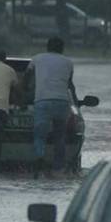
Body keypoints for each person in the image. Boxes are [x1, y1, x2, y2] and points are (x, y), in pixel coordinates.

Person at [26, 37, 76, 178]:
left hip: (43, 101)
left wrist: (24, 93)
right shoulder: (68, 62)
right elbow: (69, 84)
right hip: (62, 102)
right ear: (62, 48)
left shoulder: (36, 59)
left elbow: (27, 76)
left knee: (40, 135)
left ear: (47, 47)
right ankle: (58, 168)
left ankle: (39, 161)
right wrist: (76, 101)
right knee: (59, 137)